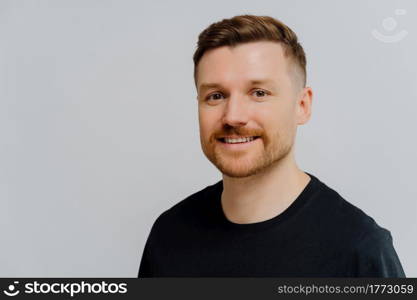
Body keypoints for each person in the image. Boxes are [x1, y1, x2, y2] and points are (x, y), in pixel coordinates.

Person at [138, 14, 405, 277]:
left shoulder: (359, 250)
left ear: (302, 106)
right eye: (215, 96)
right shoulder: (169, 234)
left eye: (259, 93)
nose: (233, 116)